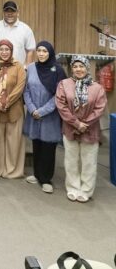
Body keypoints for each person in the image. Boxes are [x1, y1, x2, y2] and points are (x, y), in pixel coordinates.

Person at [56, 56, 107, 202]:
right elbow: (61, 105)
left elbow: (100, 108)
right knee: (71, 160)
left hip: (90, 130)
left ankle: (86, 190)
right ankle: (72, 187)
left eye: (81, 66)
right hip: (70, 128)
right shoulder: (64, 84)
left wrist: (85, 124)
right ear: (72, 68)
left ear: (87, 68)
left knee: (89, 162)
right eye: (75, 66)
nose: (78, 69)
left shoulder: (97, 88)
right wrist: (76, 124)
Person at [23, 41, 67, 194]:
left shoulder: (58, 70)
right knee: (37, 144)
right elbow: (26, 90)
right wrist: (32, 109)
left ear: (50, 53)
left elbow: (60, 95)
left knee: (48, 147)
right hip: (33, 113)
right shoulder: (31, 68)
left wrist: (42, 111)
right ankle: (37, 174)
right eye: (39, 50)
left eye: (44, 51)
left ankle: (46, 179)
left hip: (50, 115)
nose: (41, 53)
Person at [0, 40, 27, 179]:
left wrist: (7, 102)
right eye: (1, 49)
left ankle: (12, 170)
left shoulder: (18, 67)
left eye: (7, 50)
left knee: (13, 141)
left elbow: (20, 87)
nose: (4, 52)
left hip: (14, 109)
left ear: (11, 51)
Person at [0, 0, 36, 65]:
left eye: (12, 11)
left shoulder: (26, 29)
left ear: (17, 12)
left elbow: (30, 50)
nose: (10, 13)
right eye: (7, 11)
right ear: (3, 12)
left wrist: (26, 68)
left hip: (19, 71)